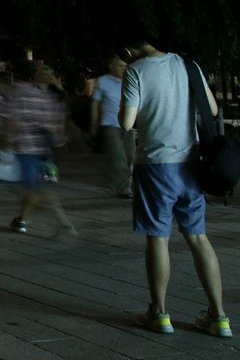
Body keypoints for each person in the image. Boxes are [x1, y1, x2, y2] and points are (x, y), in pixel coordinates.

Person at [120, 42, 230, 338]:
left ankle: (159, 313)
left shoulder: (136, 71)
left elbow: (126, 121)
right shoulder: (189, 65)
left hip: (155, 165)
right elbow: (213, 108)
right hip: (191, 164)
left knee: (158, 238)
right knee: (198, 237)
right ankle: (218, 317)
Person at [0, 61, 73, 236]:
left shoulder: (23, 92)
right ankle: (22, 221)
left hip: (27, 147)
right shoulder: (54, 96)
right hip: (46, 149)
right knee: (35, 186)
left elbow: (11, 118)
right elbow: (59, 123)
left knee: (34, 188)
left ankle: (63, 223)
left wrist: (6, 141)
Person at [92, 55, 133, 197]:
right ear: (112, 66)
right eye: (120, 66)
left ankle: (121, 182)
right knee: (118, 156)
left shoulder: (130, 80)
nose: (123, 69)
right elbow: (95, 104)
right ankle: (123, 188)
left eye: (125, 66)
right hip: (110, 123)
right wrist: (94, 123)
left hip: (128, 123)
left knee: (129, 156)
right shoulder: (102, 81)